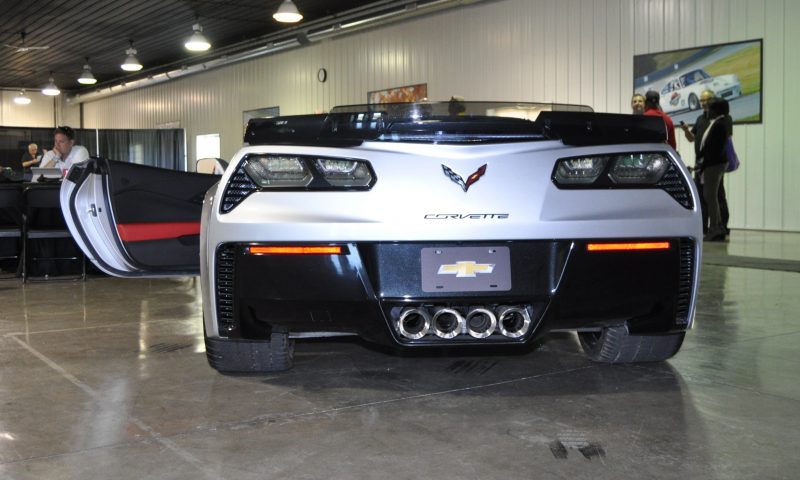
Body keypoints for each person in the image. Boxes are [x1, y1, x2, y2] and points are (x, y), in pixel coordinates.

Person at [680, 89, 732, 236]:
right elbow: (693, 138)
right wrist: (686, 131)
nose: (704, 104)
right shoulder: (701, 119)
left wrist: (704, 162)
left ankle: (719, 227)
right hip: (704, 164)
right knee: (705, 195)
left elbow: (719, 143)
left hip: (712, 164)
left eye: (707, 100)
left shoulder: (721, 121)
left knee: (715, 195)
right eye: (702, 100)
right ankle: (706, 227)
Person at [695, 98, 730, 242]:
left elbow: (713, 150)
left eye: (711, 108)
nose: (707, 110)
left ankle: (715, 228)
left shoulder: (720, 125)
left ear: (717, 110)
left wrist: (702, 165)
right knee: (711, 196)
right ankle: (718, 227)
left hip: (714, 165)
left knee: (710, 196)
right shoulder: (716, 123)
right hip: (712, 164)